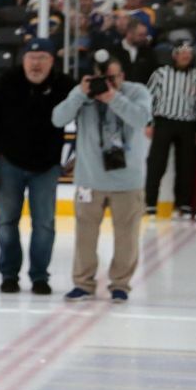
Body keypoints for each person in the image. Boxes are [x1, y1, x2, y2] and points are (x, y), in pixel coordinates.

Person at [0, 38, 74, 295]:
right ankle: (9, 274)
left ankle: (39, 276)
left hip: (47, 166)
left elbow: (85, 116)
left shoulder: (64, 85)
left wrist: (82, 157)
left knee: (44, 224)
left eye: (42, 58)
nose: (36, 63)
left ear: (52, 61)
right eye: (32, 58)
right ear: (23, 60)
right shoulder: (7, 82)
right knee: (6, 222)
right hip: (9, 163)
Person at [53, 55, 151, 300]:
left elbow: (141, 119)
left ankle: (120, 284)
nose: (107, 83)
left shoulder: (137, 92)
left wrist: (112, 97)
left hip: (128, 181)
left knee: (126, 237)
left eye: (112, 78)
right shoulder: (83, 95)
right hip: (90, 180)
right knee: (85, 236)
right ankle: (83, 283)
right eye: (102, 79)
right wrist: (79, 94)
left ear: (123, 76)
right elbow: (57, 118)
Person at [145, 39, 196, 217]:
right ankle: (150, 203)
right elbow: (148, 98)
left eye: (189, 52)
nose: (186, 55)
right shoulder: (161, 73)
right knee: (156, 164)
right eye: (182, 52)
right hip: (164, 122)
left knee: (185, 165)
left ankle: (182, 204)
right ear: (174, 55)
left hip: (188, 124)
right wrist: (149, 122)